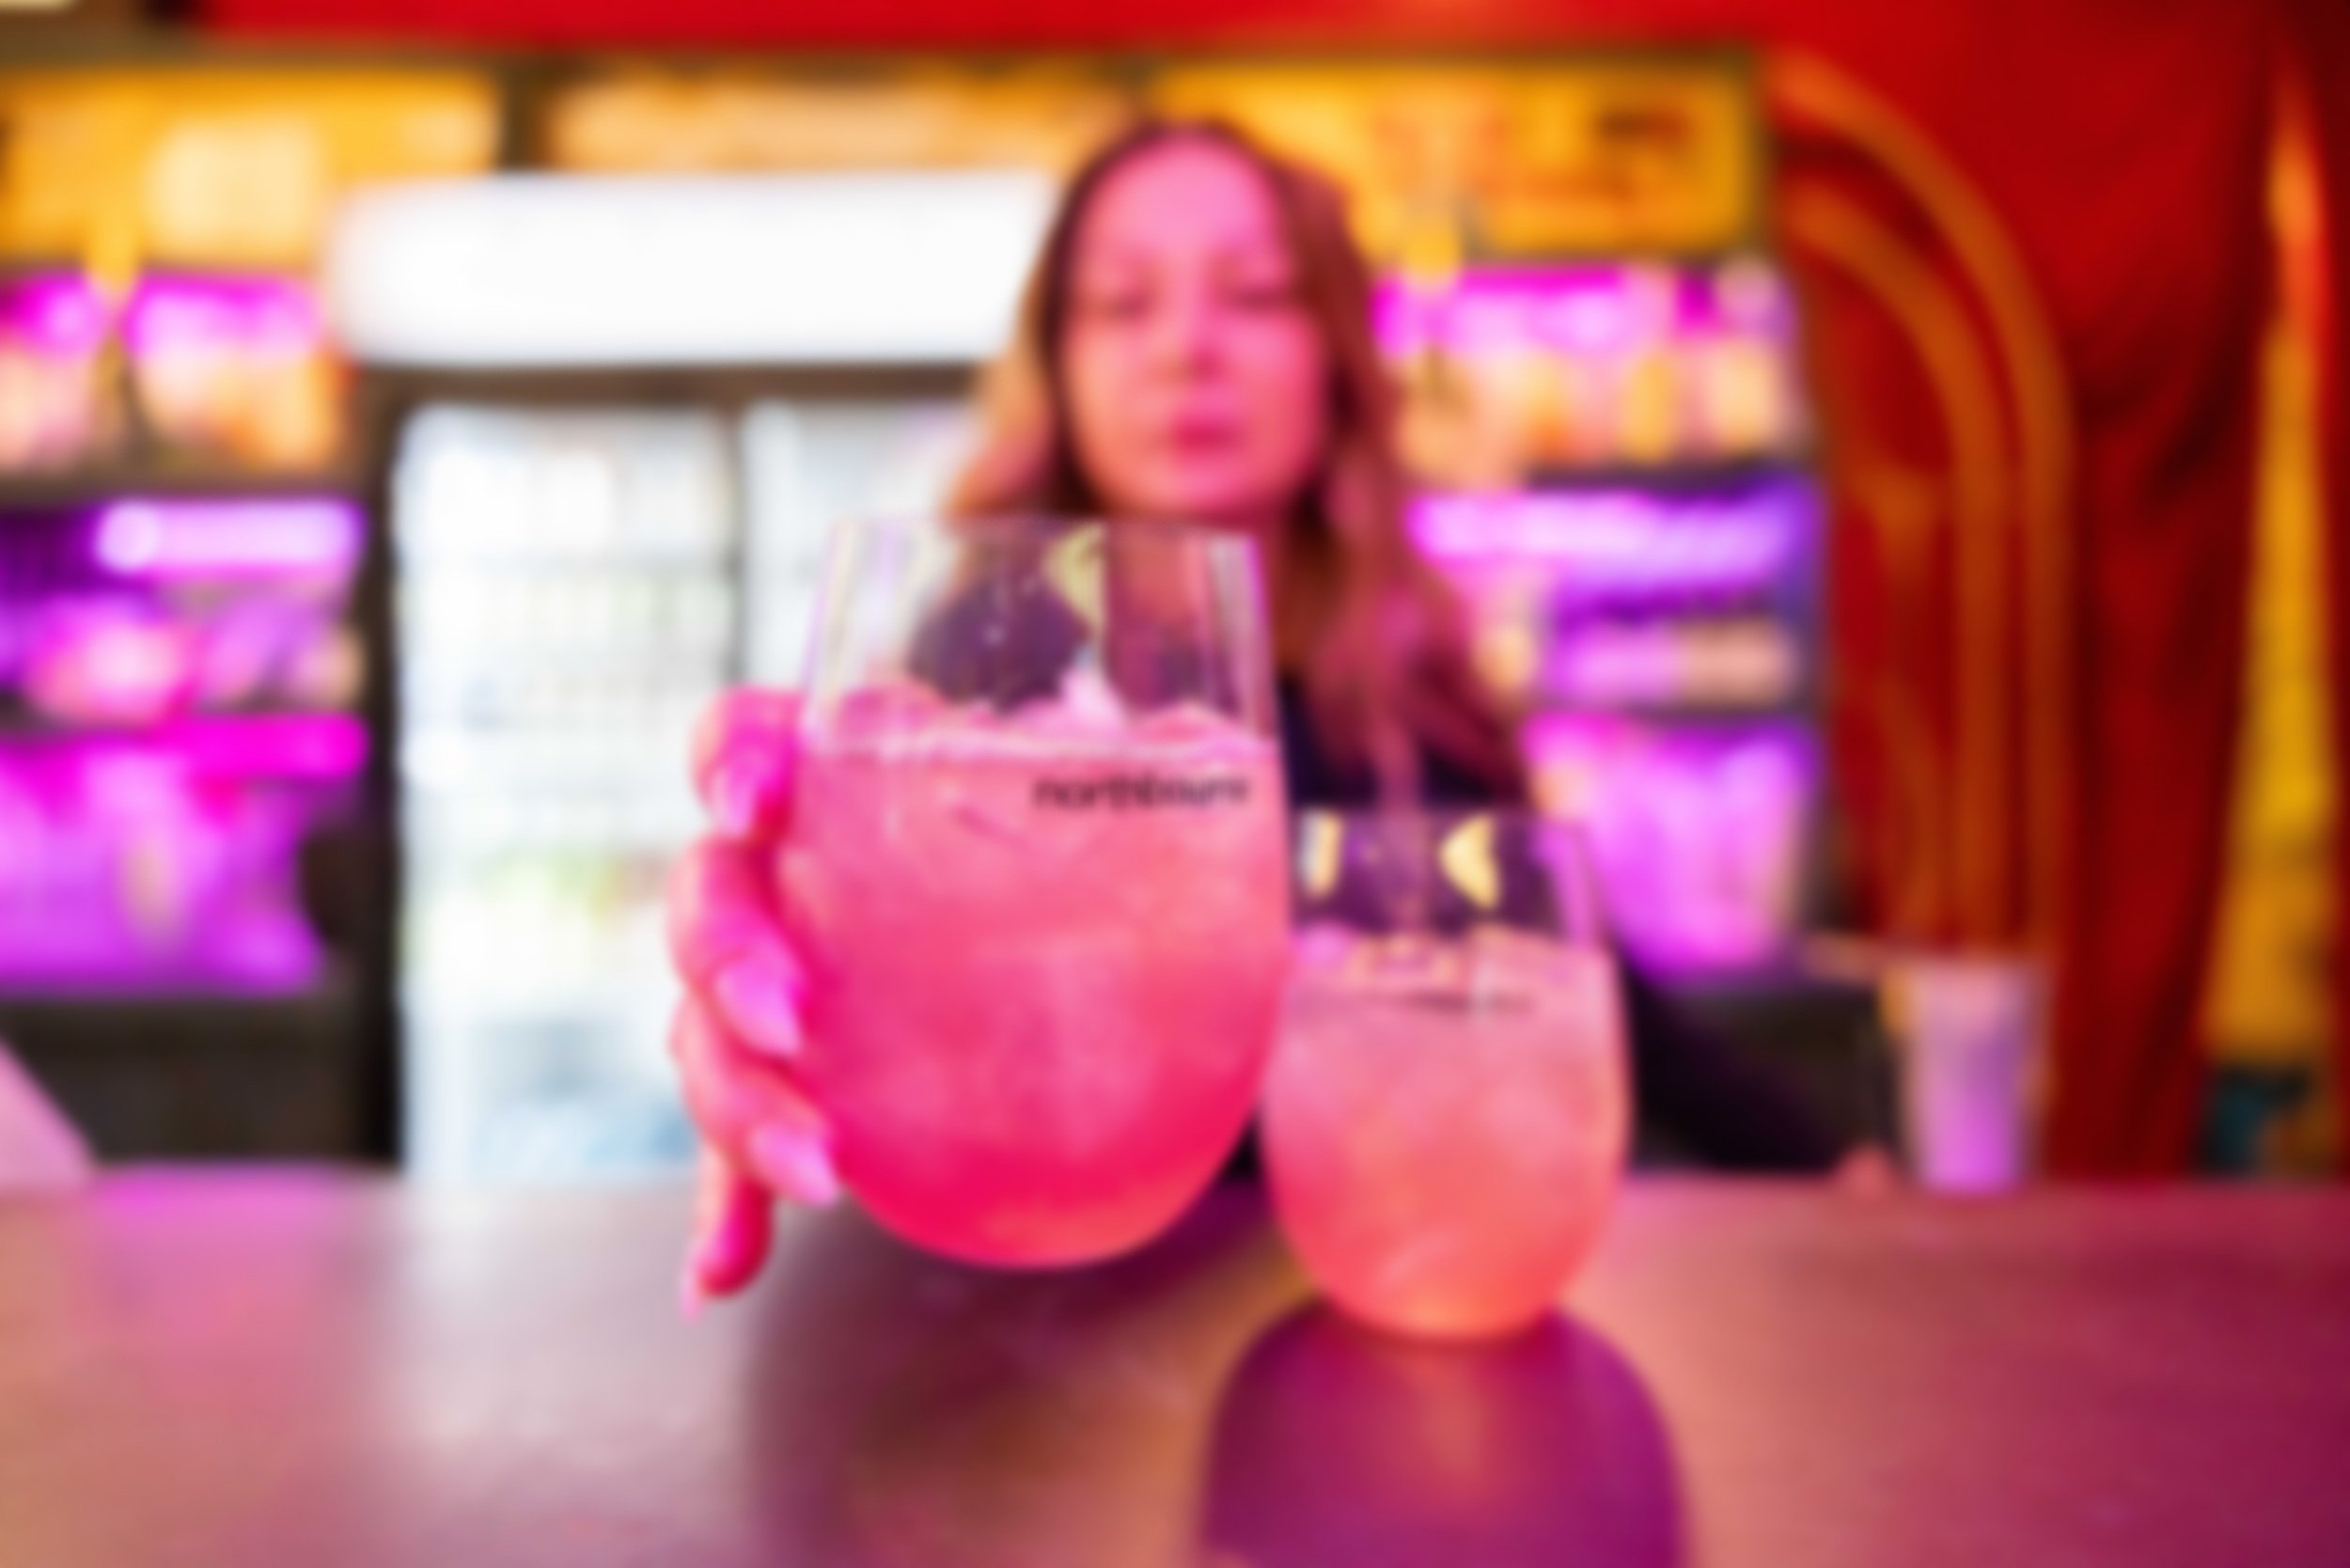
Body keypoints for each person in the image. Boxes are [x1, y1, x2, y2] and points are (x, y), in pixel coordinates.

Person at [667, 119, 1870, 1304]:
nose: (1187, 345)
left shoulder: (1423, 706)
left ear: (1334, 352)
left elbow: (1580, 984)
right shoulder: (955, 700)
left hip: (1344, 1346)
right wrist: (766, 975)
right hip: (993, 1361)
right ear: (1059, 365)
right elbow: (860, 1003)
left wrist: (1832, 1169)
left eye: (1252, 292)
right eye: (1124, 303)